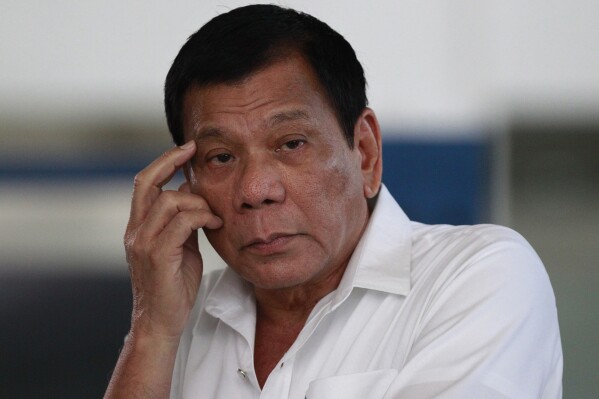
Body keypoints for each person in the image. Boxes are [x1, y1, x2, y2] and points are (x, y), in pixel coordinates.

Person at [105, 4, 562, 398]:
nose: (255, 190)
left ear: (364, 152)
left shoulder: (476, 276)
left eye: (291, 144)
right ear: (189, 181)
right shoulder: (179, 321)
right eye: (221, 156)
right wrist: (151, 332)